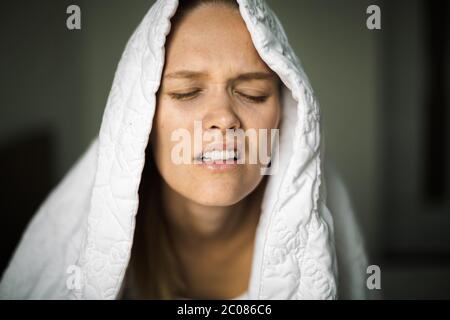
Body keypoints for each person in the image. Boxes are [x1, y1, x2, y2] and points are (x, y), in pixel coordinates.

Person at [0, 0, 369, 300]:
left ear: (285, 117)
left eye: (252, 94)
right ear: (139, 120)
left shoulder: (316, 230)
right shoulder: (99, 253)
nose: (224, 119)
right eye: (186, 92)